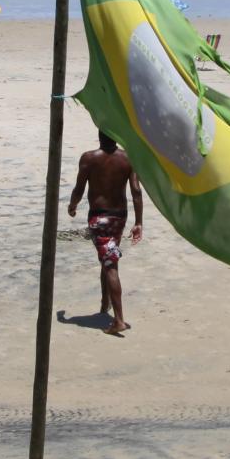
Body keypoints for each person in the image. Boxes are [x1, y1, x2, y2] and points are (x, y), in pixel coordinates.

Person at [67, 132, 144, 336]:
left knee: (110, 265)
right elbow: (136, 191)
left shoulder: (89, 158)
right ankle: (104, 303)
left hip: (99, 219)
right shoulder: (128, 158)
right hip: (119, 218)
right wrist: (138, 222)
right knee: (107, 259)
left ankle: (118, 320)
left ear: (99, 136)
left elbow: (79, 189)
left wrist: (72, 206)